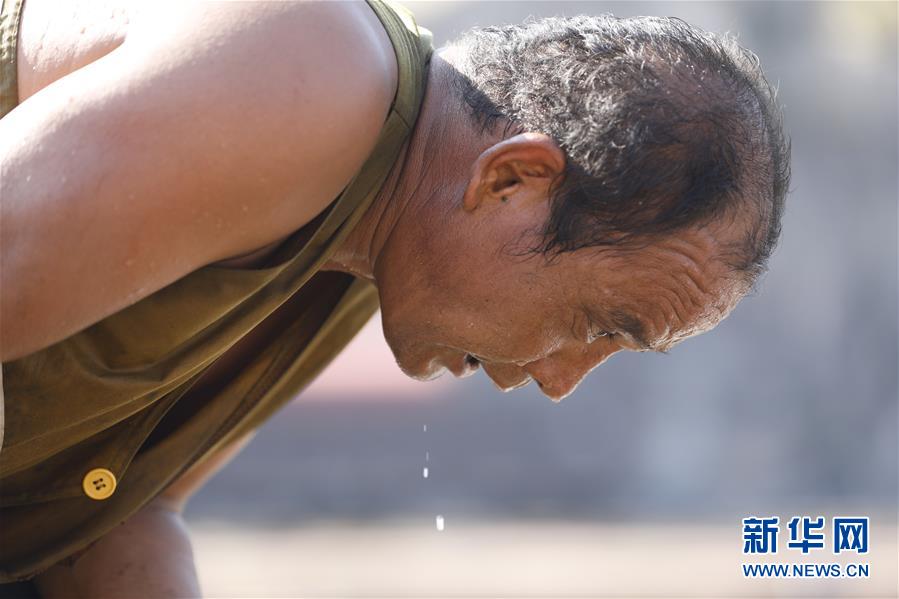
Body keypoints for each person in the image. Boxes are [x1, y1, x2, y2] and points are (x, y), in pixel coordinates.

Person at [0, 0, 790, 595]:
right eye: (594, 323)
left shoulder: (372, 240)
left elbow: (110, 518)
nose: (558, 380)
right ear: (510, 180)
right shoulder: (310, 76)